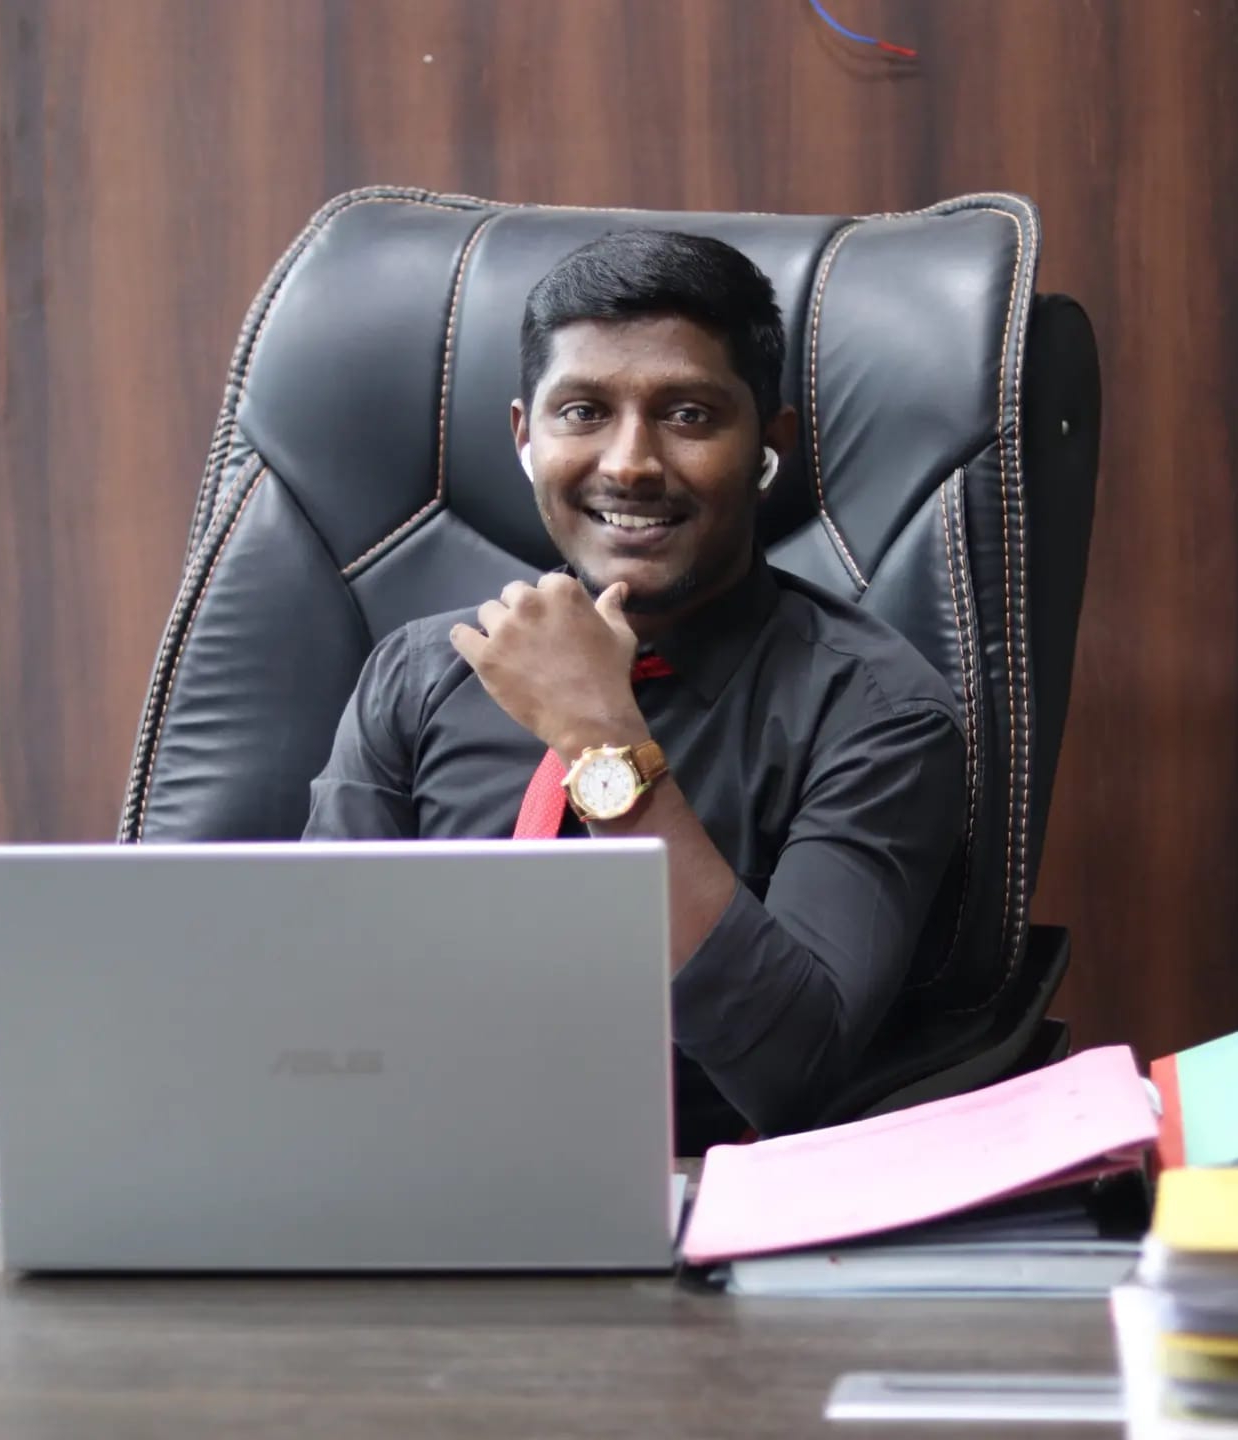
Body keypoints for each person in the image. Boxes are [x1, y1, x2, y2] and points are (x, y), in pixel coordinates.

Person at [304, 229, 965, 1151]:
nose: (628, 464)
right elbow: (321, 998)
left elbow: (795, 1069)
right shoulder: (418, 675)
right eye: (582, 412)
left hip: (696, 1195)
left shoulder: (878, 715)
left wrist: (601, 741)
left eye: (689, 415)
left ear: (767, 447)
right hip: (406, 1165)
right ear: (525, 438)